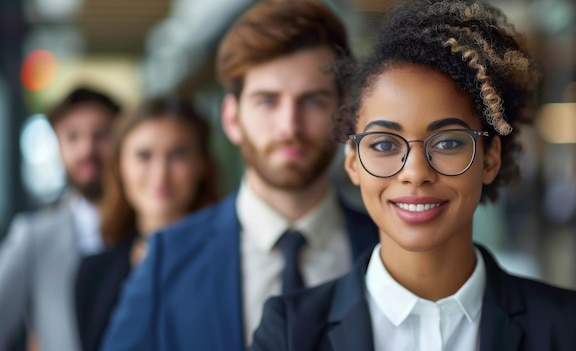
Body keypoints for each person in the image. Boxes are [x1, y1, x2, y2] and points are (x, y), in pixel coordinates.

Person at [250, 1, 576, 350]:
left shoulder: (572, 330)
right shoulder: (288, 332)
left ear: (490, 158)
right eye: (383, 145)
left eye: (447, 143)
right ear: (352, 162)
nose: (415, 173)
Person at [100, 1, 379, 350]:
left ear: (344, 112)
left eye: (312, 101)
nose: (288, 127)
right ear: (231, 119)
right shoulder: (168, 259)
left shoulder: (387, 248)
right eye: (267, 101)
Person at [73, 96, 220, 351]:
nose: (160, 174)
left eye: (178, 154)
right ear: (119, 167)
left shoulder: (231, 262)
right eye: (144, 156)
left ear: (202, 164)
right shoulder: (93, 273)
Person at [0, 86, 121, 351]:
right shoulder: (34, 236)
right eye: (72, 137)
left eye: (102, 135)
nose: (87, 149)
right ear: (58, 146)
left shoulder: (149, 228)